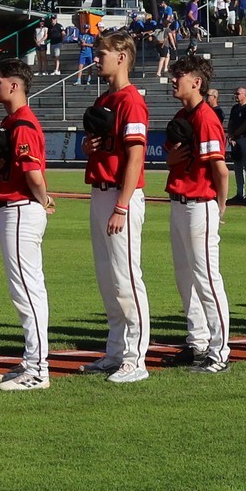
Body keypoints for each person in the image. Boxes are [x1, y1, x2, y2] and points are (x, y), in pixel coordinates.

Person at [83, 32, 154, 382]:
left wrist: (122, 206)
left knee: (126, 278)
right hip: (100, 191)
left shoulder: (131, 101)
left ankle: (136, 359)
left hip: (119, 196)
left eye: (102, 53)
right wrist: (89, 145)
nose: (97, 58)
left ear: (122, 57)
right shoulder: (103, 100)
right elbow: (103, 149)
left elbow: (136, 156)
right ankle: (115, 351)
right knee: (107, 278)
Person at [0, 59, 54, 390]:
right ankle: (30, 362)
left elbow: (32, 173)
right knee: (24, 289)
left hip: (22, 208)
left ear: (14, 85)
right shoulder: (11, 122)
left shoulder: (22, 124)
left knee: (28, 291)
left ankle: (38, 369)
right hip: (15, 207)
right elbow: (5, 168)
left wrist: (43, 199)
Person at [165, 54, 232, 373]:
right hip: (179, 201)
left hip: (199, 204)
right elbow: (172, 162)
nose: (173, 78)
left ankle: (220, 352)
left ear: (197, 82)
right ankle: (198, 343)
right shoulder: (183, 115)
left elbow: (221, 170)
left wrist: (219, 206)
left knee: (206, 279)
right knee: (185, 279)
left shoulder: (205, 117)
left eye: (180, 74)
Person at [226, 85, 246, 204]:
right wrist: (230, 135)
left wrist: (234, 134)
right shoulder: (235, 108)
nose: (236, 95)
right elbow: (230, 123)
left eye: (238, 93)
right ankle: (240, 192)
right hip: (236, 139)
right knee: (238, 167)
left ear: (245, 95)